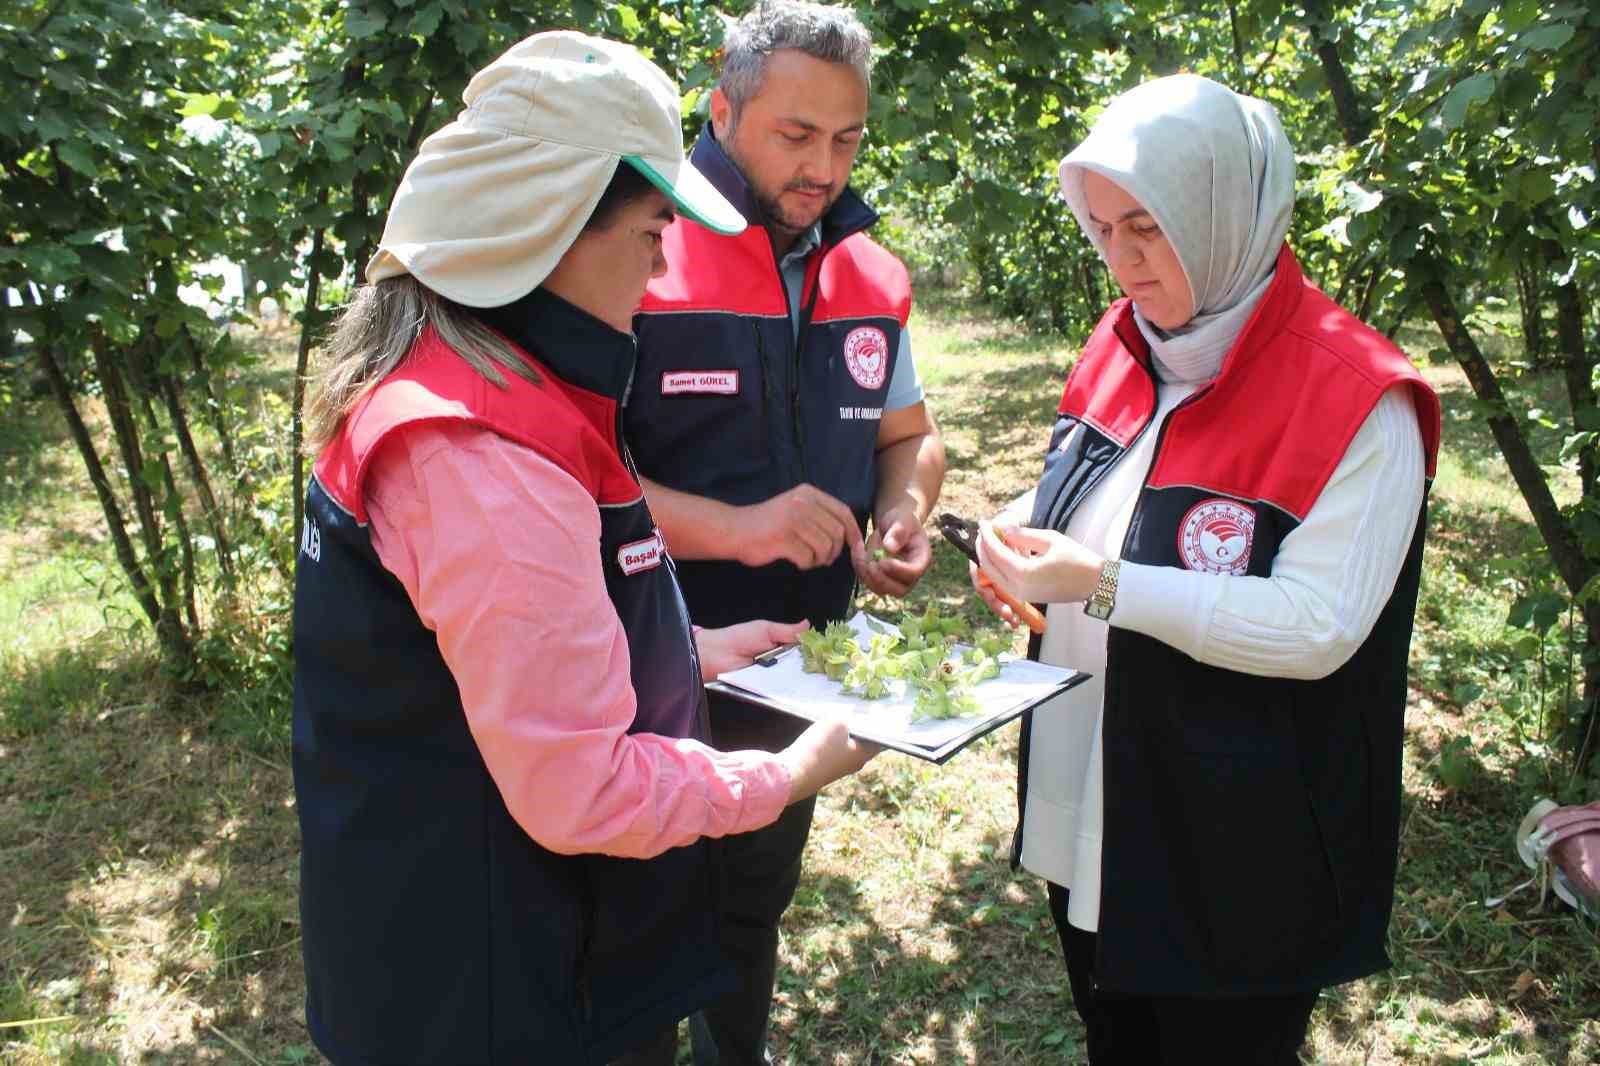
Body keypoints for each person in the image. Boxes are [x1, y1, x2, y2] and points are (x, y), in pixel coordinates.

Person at [290, 31, 874, 1066]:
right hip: (497, 993)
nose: (658, 277)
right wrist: (781, 777)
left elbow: (502, 650)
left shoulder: (482, 387)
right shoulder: (475, 449)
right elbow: (581, 788)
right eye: (652, 235)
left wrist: (688, 649)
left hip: (508, 954)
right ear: (549, 229)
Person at [970, 75, 1443, 1065]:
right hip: (1095, 793)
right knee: (1117, 1037)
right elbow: (1097, 488)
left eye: (1146, 226)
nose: (1119, 259)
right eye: (1100, 227)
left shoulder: (1360, 397)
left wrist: (1098, 583)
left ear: (1227, 213)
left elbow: (1317, 624)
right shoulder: (1123, 339)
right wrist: (1013, 527)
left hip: (1235, 848)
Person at [625, 3, 946, 1063]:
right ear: (721, 110)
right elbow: (561, 474)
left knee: (749, 904)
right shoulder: (640, 254)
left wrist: (903, 509)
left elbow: (910, 436)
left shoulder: (872, 274)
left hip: (793, 673)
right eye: (795, 135)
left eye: (847, 138)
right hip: (641, 662)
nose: (824, 166)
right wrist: (739, 526)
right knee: (629, 916)